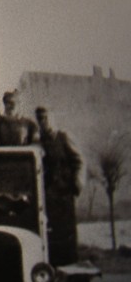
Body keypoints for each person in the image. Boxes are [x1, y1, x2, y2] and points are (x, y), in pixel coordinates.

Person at [35, 107, 83, 265]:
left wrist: (77, 182)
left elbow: (79, 160)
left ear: (52, 119)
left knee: (67, 236)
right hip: (46, 197)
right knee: (49, 236)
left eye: (46, 118)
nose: (43, 122)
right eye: (40, 119)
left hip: (64, 195)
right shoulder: (37, 143)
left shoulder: (63, 137)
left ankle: (71, 271)